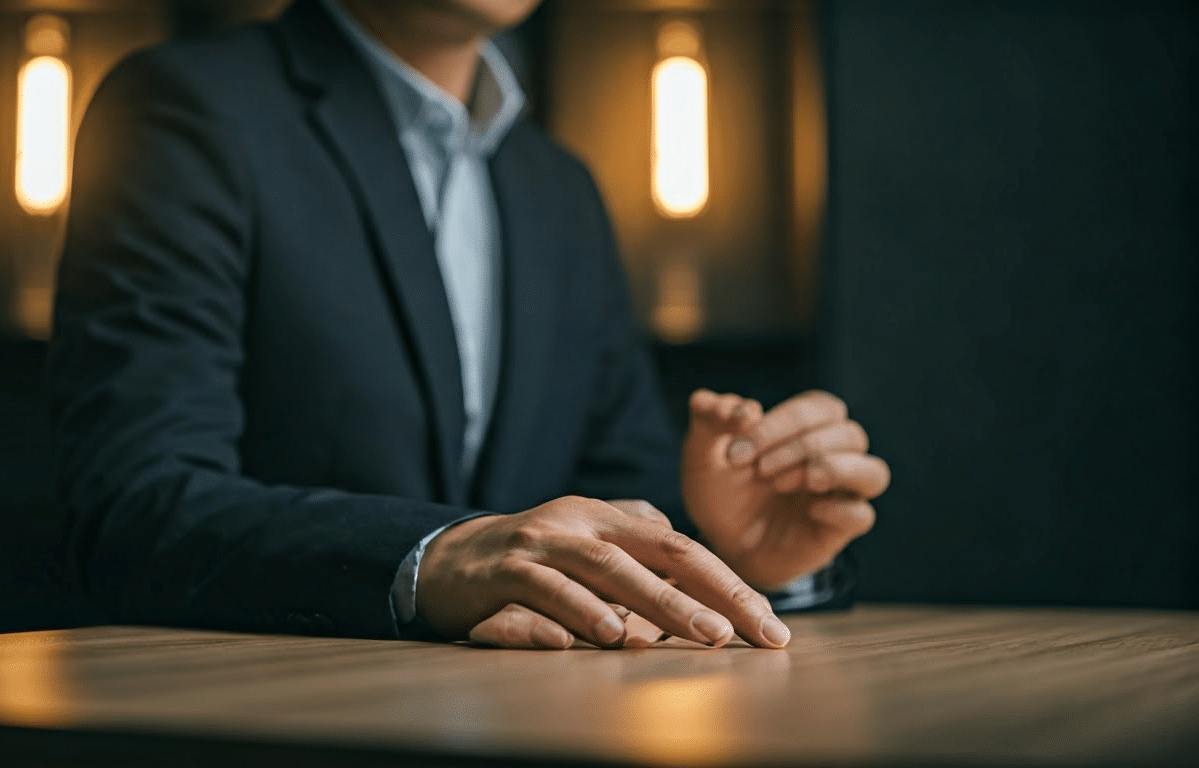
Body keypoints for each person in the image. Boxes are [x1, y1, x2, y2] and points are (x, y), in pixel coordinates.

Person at [48, 0, 890, 651]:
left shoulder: (558, 187)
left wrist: (732, 555)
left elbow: (605, 501)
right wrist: (429, 555)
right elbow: (136, 506)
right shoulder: (187, 110)